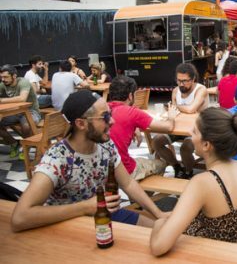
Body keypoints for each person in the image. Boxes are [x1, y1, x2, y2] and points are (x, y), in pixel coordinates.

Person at [11, 90, 169, 232]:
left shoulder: (105, 144)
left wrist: (158, 213)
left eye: (110, 113)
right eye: (105, 117)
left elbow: (127, 183)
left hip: (104, 214)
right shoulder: (57, 160)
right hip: (67, 225)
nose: (112, 121)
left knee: (162, 231)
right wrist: (84, 208)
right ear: (80, 123)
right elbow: (20, 218)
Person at [150, 108, 237, 256]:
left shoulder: (203, 182)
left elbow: (158, 247)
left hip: (222, 255)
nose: (190, 135)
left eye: (194, 132)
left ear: (206, 145)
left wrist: (158, 223)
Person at [108, 76, 177, 180]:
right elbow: (169, 127)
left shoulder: (102, 108)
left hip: (101, 169)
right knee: (161, 163)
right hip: (124, 170)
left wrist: (135, 127)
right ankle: (142, 195)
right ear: (131, 96)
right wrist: (171, 116)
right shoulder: (133, 113)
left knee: (141, 160)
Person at [152, 63, 208, 179]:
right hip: (178, 128)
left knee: (185, 148)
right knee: (156, 141)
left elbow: (191, 109)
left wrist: (175, 106)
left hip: (196, 130)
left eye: (185, 81)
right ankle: (177, 166)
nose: (181, 84)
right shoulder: (175, 91)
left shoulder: (200, 90)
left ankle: (188, 171)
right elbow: (173, 112)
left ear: (193, 79)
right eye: (179, 81)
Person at [0, 64, 41, 158]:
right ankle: (14, 143)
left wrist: (2, 100)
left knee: (26, 126)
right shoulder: (3, 84)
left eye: (6, 77)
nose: (3, 79)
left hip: (32, 111)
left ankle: (26, 147)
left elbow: (22, 98)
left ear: (14, 76)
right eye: (1, 77)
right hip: (14, 112)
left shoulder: (23, 82)